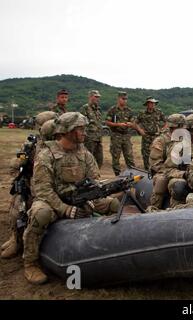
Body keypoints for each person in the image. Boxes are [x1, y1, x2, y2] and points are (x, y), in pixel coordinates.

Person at [22, 112, 120, 284]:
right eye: (80, 129)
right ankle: (30, 262)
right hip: (53, 202)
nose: (84, 132)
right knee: (40, 214)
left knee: (112, 204)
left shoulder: (85, 154)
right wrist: (66, 209)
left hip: (81, 199)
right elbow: (43, 190)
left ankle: (112, 248)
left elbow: (94, 180)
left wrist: (91, 198)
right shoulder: (46, 155)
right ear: (66, 131)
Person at [1, 112, 57, 259]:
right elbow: (16, 162)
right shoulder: (31, 145)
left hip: (52, 188)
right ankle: (16, 240)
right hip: (32, 186)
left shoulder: (62, 144)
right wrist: (22, 159)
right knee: (17, 208)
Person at [148, 114, 186, 210]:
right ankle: (154, 207)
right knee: (161, 181)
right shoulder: (161, 141)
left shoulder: (185, 139)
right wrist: (175, 173)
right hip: (163, 171)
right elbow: (156, 164)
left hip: (180, 171)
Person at [105, 92, 137, 176]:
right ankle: (118, 175)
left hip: (126, 135)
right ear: (118, 99)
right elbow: (107, 122)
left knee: (129, 156)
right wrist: (118, 124)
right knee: (116, 157)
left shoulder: (129, 110)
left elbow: (134, 123)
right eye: (123, 99)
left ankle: (132, 175)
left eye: (126, 99)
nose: (125, 101)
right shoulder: (113, 110)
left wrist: (130, 124)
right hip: (116, 135)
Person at [135, 97, 166, 171]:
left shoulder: (159, 112)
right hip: (146, 136)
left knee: (157, 153)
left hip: (156, 137)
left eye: (154, 103)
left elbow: (166, 122)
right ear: (147, 104)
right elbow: (135, 123)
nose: (153, 104)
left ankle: (156, 170)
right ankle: (147, 171)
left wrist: (162, 130)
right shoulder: (142, 113)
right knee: (146, 154)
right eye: (151, 103)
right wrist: (140, 130)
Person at [80, 90, 104, 168]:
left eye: (98, 97)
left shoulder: (98, 109)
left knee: (99, 160)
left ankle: (95, 177)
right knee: (88, 160)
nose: (98, 99)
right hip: (89, 139)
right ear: (90, 97)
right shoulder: (85, 108)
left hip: (98, 139)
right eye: (96, 97)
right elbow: (81, 123)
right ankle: (87, 178)